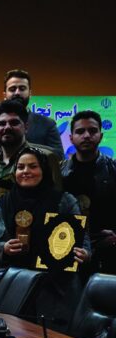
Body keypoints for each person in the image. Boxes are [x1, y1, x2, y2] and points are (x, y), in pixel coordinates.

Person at [0, 147, 89, 328]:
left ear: (44, 170)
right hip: (13, 286)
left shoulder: (65, 201)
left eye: (33, 166)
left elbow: (84, 241)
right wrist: (3, 248)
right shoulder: (2, 203)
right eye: (20, 167)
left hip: (56, 290)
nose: (26, 171)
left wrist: (84, 254)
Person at [62, 110, 116, 274]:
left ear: (101, 135)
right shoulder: (59, 173)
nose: (86, 135)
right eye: (80, 131)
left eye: (92, 131)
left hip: (109, 251)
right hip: (68, 248)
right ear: (71, 137)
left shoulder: (113, 170)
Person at [0, 69, 63, 157]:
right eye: (12, 89)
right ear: (5, 95)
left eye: (22, 89)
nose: (17, 93)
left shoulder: (47, 124)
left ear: (30, 93)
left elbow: (58, 156)